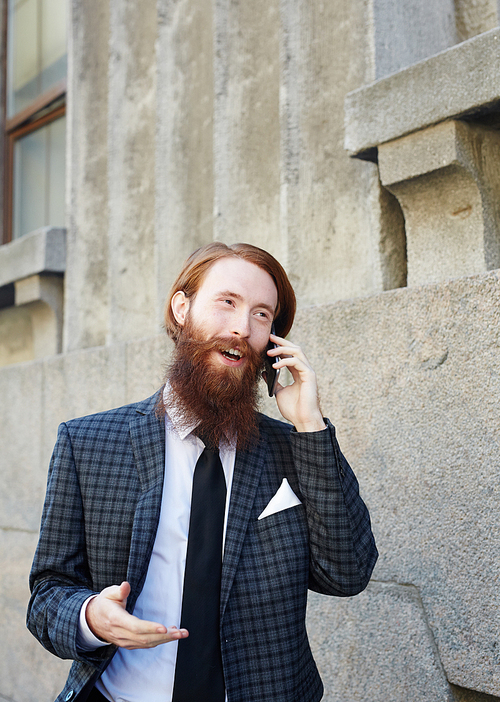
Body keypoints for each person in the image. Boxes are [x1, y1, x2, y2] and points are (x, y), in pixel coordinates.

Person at [27, 242, 377, 702]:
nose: (240, 328)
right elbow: (47, 594)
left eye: (261, 315)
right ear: (182, 308)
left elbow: (347, 574)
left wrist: (309, 424)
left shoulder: (294, 449)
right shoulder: (87, 442)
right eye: (227, 302)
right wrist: (90, 616)